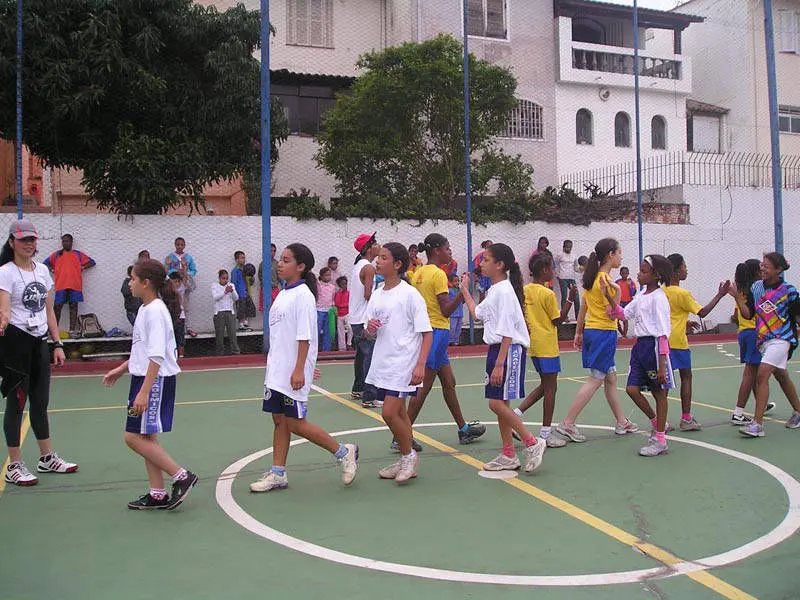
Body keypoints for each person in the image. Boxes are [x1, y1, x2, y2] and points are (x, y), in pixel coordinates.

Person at [249, 243, 359, 492]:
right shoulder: (284, 294)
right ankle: (278, 473)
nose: (280, 263)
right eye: (280, 259)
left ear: (300, 266)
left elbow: (305, 337)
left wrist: (301, 368)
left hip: (292, 373)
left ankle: (344, 453)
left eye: (286, 260)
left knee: (296, 423)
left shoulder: (303, 296)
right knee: (279, 420)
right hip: (277, 371)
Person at [102, 259, 198, 509]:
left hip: (153, 381)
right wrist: (121, 369)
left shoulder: (155, 311)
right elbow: (142, 350)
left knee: (132, 437)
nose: (129, 283)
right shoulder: (146, 309)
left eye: (133, 278)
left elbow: (156, 355)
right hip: (144, 378)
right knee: (146, 437)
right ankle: (157, 493)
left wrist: (144, 391)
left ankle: (181, 476)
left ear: (146, 283)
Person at [0, 220, 77, 487]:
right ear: (12, 242)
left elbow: (48, 311)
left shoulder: (43, 271)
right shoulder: (5, 272)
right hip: (16, 345)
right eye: (23, 240)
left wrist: (57, 344)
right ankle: (14, 465)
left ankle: (46, 458)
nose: (29, 244)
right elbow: (4, 309)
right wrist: (3, 322)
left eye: (32, 239)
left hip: (39, 343)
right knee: (16, 404)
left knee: (40, 403)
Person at [460, 243, 545, 473]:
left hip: (508, 350)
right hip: (498, 349)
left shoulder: (504, 291)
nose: (481, 263)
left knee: (495, 403)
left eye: (486, 260)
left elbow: (507, 330)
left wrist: (499, 364)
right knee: (501, 403)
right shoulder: (495, 290)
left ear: (499, 265)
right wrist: (465, 290)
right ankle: (508, 453)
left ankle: (532, 442)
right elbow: (477, 314)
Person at [406, 233, 485, 449]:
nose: (450, 251)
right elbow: (445, 310)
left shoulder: (418, 273)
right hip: (437, 333)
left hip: (425, 332)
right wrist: (463, 291)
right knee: (424, 387)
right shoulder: (439, 274)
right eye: (447, 248)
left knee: (449, 383)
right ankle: (402, 435)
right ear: (436, 250)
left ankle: (463, 429)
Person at [556, 238, 639, 443]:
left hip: (592, 331)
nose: (621, 257)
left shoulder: (593, 277)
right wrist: (617, 291)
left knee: (611, 377)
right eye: (619, 253)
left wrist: (578, 333)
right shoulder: (607, 282)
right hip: (604, 332)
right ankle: (568, 423)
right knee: (596, 378)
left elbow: (583, 308)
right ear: (611, 254)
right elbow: (613, 314)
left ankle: (621, 421)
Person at [365, 243, 433, 484]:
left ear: (397, 264)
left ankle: (408, 456)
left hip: (404, 362)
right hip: (384, 361)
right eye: (378, 257)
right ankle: (406, 458)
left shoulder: (410, 294)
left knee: (389, 413)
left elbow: (427, 333)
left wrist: (420, 364)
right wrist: (370, 329)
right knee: (401, 413)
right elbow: (369, 332)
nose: (378, 261)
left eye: (384, 258)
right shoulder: (377, 293)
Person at [603, 255, 675, 457]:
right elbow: (623, 314)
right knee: (631, 389)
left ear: (656, 275)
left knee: (659, 393)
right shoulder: (641, 295)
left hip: (653, 348)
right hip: (640, 348)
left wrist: (662, 365)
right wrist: (608, 297)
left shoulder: (659, 298)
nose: (638, 274)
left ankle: (660, 440)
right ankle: (657, 422)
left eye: (644, 271)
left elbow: (663, 333)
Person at [731, 253, 800, 437]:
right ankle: (798, 411)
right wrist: (737, 297)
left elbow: (798, 316)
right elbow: (748, 314)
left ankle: (757, 424)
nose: (762, 269)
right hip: (764, 340)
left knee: (761, 375)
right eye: (762, 265)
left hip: (782, 339)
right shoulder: (756, 287)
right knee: (781, 376)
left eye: (767, 266)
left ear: (778, 270)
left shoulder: (789, 291)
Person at [513, 254, 576, 448]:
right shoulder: (547, 294)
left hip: (533, 344)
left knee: (546, 385)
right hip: (547, 345)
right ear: (544, 270)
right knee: (550, 388)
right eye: (552, 268)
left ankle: (515, 415)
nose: (554, 271)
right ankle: (545, 434)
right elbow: (558, 320)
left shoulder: (525, 290)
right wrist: (569, 300)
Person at [664, 254, 730, 431]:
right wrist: (720, 295)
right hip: (678, 342)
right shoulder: (683, 293)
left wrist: (684, 322)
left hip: (663, 341)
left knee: (665, 382)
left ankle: (661, 421)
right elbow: (702, 312)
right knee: (686, 377)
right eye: (684, 266)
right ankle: (686, 418)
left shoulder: (661, 291)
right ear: (676, 271)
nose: (686, 269)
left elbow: (670, 315)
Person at [729, 259, 774, 425]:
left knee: (754, 372)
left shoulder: (741, 290)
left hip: (743, 333)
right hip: (754, 333)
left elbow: (735, 315)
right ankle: (738, 413)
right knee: (749, 374)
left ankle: (761, 404)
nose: (763, 271)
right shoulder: (756, 290)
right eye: (761, 269)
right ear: (756, 272)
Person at [349, 233, 381, 408]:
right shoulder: (368, 268)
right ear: (368, 248)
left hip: (355, 317)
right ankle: (369, 396)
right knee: (371, 356)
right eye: (375, 243)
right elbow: (368, 295)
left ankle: (358, 388)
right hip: (363, 318)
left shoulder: (358, 265)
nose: (378, 245)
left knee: (361, 355)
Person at [44, 233, 95, 335]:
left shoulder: (78, 254)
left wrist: (83, 267)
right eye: (63, 241)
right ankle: (53, 330)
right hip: (61, 285)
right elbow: (46, 263)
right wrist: (52, 269)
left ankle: (72, 330)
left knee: (73, 306)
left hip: (75, 285)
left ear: (71, 242)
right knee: (57, 307)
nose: (65, 243)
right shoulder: (57, 254)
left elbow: (92, 262)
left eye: (67, 241)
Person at [165, 238, 198, 338]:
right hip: (174, 284)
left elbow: (194, 271)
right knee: (173, 306)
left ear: (184, 245)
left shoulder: (188, 257)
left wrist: (184, 271)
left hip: (185, 283)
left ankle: (187, 327)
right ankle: (173, 328)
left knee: (185, 306)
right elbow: (167, 272)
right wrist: (175, 271)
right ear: (175, 245)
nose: (179, 246)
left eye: (181, 244)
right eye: (178, 244)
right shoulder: (170, 257)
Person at [211, 269, 240, 355]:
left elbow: (236, 298)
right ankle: (220, 352)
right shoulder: (214, 285)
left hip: (230, 312)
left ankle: (235, 351)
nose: (225, 280)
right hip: (219, 312)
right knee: (219, 334)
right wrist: (225, 292)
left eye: (227, 278)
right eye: (223, 278)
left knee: (232, 333)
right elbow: (215, 297)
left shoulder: (231, 285)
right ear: (219, 278)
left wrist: (232, 291)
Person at [554, 239, 580, 320]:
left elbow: (576, 268)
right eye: (567, 247)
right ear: (563, 247)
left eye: (570, 247)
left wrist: (582, 269)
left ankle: (578, 317)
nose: (569, 249)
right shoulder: (560, 255)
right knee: (564, 297)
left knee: (576, 297)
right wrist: (557, 274)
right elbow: (555, 265)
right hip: (562, 278)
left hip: (571, 278)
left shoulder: (574, 256)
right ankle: (564, 316)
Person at [232, 251, 256, 331]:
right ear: (236, 260)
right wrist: (235, 294)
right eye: (242, 258)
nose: (244, 259)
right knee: (241, 309)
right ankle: (241, 325)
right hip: (239, 294)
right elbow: (233, 283)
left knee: (249, 307)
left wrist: (252, 277)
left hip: (246, 293)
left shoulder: (247, 269)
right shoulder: (235, 271)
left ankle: (245, 323)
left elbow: (251, 283)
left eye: (244, 258)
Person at [316, 267, 337, 352]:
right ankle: (314, 349)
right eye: (326, 275)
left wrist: (333, 307)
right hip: (319, 310)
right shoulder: (318, 286)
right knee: (316, 330)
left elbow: (333, 298)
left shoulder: (332, 287)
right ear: (321, 276)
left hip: (329, 311)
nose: (328, 277)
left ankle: (326, 350)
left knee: (327, 331)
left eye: (329, 275)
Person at [168, 271, 187, 358]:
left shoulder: (181, 289)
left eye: (178, 281)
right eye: (175, 281)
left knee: (180, 337)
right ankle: (172, 356)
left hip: (180, 316)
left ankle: (181, 356)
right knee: (171, 337)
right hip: (170, 316)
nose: (177, 283)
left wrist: (184, 268)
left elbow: (185, 279)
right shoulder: (166, 291)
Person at [615, 266, 637, 337]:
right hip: (619, 302)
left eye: (626, 273)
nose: (624, 275)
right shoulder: (617, 282)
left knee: (625, 319)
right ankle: (622, 333)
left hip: (628, 302)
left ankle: (624, 335)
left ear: (628, 274)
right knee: (616, 320)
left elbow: (633, 293)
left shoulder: (631, 282)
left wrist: (630, 285)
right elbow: (613, 292)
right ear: (620, 274)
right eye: (623, 273)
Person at [334, 276, 352, 351]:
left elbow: (350, 303)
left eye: (345, 284)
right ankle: (342, 348)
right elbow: (337, 303)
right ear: (339, 285)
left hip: (347, 314)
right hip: (340, 315)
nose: (344, 285)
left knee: (350, 328)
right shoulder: (337, 294)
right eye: (342, 284)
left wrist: (343, 305)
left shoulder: (349, 293)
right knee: (340, 331)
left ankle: (349, 343)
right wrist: (343, 305)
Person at [447, 273, 463, 345]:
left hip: (460, 313)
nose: (457, 283)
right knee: (452, 328)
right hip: (453, 313)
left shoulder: (460, 290)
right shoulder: (449, 291)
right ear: (451, 282)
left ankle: (456, 341)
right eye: (455, 281)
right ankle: (450, 341)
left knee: (458, 328)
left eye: (458, 281)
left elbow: (463, 300)